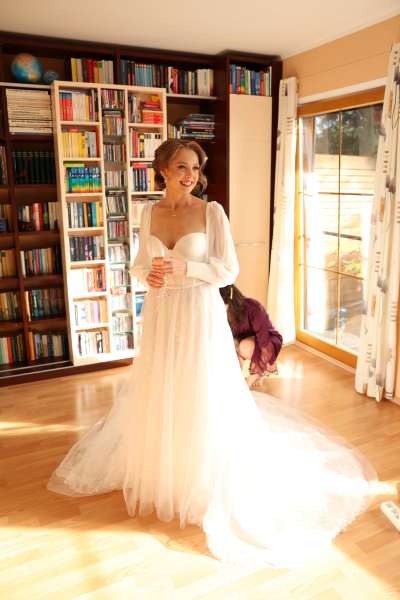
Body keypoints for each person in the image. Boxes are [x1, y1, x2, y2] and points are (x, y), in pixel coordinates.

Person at [48, 139, 376, 568]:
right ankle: (165, 468)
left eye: (196, 168)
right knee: (163, 384)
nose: (191, 176)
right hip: (162, 311)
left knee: (199, 385)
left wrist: (188, 267)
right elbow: (139, 263)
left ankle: (201, 472)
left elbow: (227, 270)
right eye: (182, 167)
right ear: (163, 170)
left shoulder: (211, 212)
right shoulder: (148, 212)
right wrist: (150, 276)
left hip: (198, 311)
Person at [220, 284, 282, 388]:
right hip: (244, 341)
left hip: (267, 340)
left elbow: (264, 339)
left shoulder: (253, 307)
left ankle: (261, 371)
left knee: (243, 347)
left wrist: (257, 371)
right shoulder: (222, 314)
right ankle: (241, 378)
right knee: (233, 349)